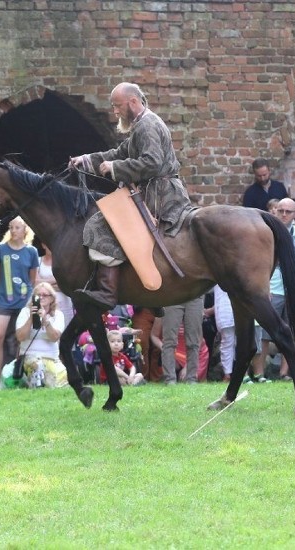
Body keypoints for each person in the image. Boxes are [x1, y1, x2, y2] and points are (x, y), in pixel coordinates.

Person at [68, 82, 191, 311]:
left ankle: (107, 292)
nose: (115, 112)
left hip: (160, 194)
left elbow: (152, 162)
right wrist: (85, 160)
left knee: (101, 225)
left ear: (133, 102)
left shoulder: (147, 125)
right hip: (151, 191)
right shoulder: (139, 125)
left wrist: (115, 168)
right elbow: (118, 153)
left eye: (117, 106)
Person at [251, 197, 295, 381]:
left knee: (290, 331)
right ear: (275, 210)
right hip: (271, 288)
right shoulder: (265, 231)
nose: (283, 214)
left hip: (291, 290)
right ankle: (259, 374)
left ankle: (284, 373)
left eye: (288, 212)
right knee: (264, 332)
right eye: (280, 210)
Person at [0, 217, 38, 386]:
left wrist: (26, 298)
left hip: (24, 301)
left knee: (23, 338)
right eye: (11, 227)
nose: (14, 230)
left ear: (25, 230)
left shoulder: (31, 252)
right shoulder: (0, 250)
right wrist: (6, 290)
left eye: (17, 227)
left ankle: (20, 375)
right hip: (4, 300)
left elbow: (33, 280)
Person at [13, 282, 67, 388]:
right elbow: (20, 337)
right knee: (37, 365)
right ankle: (37, 380)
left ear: (52, 298)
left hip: (51, 359)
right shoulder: (25, 312)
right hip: (29, 358)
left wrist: (46, 321)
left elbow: (55, 337)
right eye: (38, 295)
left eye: (45, 295)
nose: (41, 297)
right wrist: (31, 319)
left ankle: (40, 381)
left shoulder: (58, 315)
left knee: (61, 376)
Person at [161, 296, 203, 384]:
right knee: (169, 341)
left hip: (195, 294)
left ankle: (192, 379)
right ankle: (170, 379)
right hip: (173, 294)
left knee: (193, 341)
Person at [37, 242, 74, 328]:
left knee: (65, 331)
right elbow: (35, 283)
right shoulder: (38, 261)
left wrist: (44, 285)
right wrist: (56, 280)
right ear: (43, 245)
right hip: (44, 304)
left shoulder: (64, 262)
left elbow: (68, 284)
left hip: (64, 303)